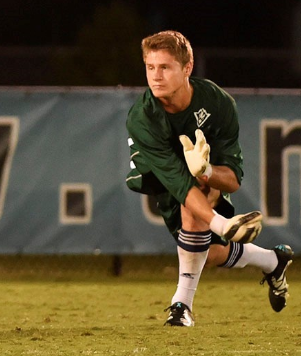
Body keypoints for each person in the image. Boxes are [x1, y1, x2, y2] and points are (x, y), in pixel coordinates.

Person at [125, 30, 293, 327]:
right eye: (150, 67)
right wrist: (222, 224)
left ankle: (181, 306)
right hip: (161, 179)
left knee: (198, 201)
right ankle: (272, 261)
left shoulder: (218, 103)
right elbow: (178, 183)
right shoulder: (143, 117)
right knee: (212, 253)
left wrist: (207, 171)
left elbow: (233, 179)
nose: (156, 76)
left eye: (165, 67)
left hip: (201, 183)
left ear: (187, 68)